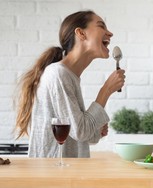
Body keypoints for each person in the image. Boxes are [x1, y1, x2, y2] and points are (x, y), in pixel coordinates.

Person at [15, 10, 125, 158]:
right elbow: (80, 131)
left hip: (65, 172)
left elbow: (76, 132)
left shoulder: (69, 76)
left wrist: (95, 130)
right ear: (81, 33)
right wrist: (106, 90)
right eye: (101, 26)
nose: (110, 33)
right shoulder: (58, 74)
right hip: (52, 174)